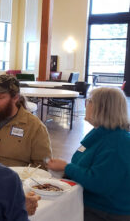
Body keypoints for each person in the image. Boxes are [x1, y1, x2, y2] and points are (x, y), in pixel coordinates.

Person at [48, 87, 130, 220]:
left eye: (89, 101)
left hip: (105, 211)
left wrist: (66, 167)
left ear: (102, 107)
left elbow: (99, 183)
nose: (86, 105)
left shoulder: (118, 143)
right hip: (90, 202)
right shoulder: (101, 132)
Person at [0, 74, 52, 168]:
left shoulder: (35, 127)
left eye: (0, 97)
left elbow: (43, 165)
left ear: (15, 98)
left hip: (16, 179)